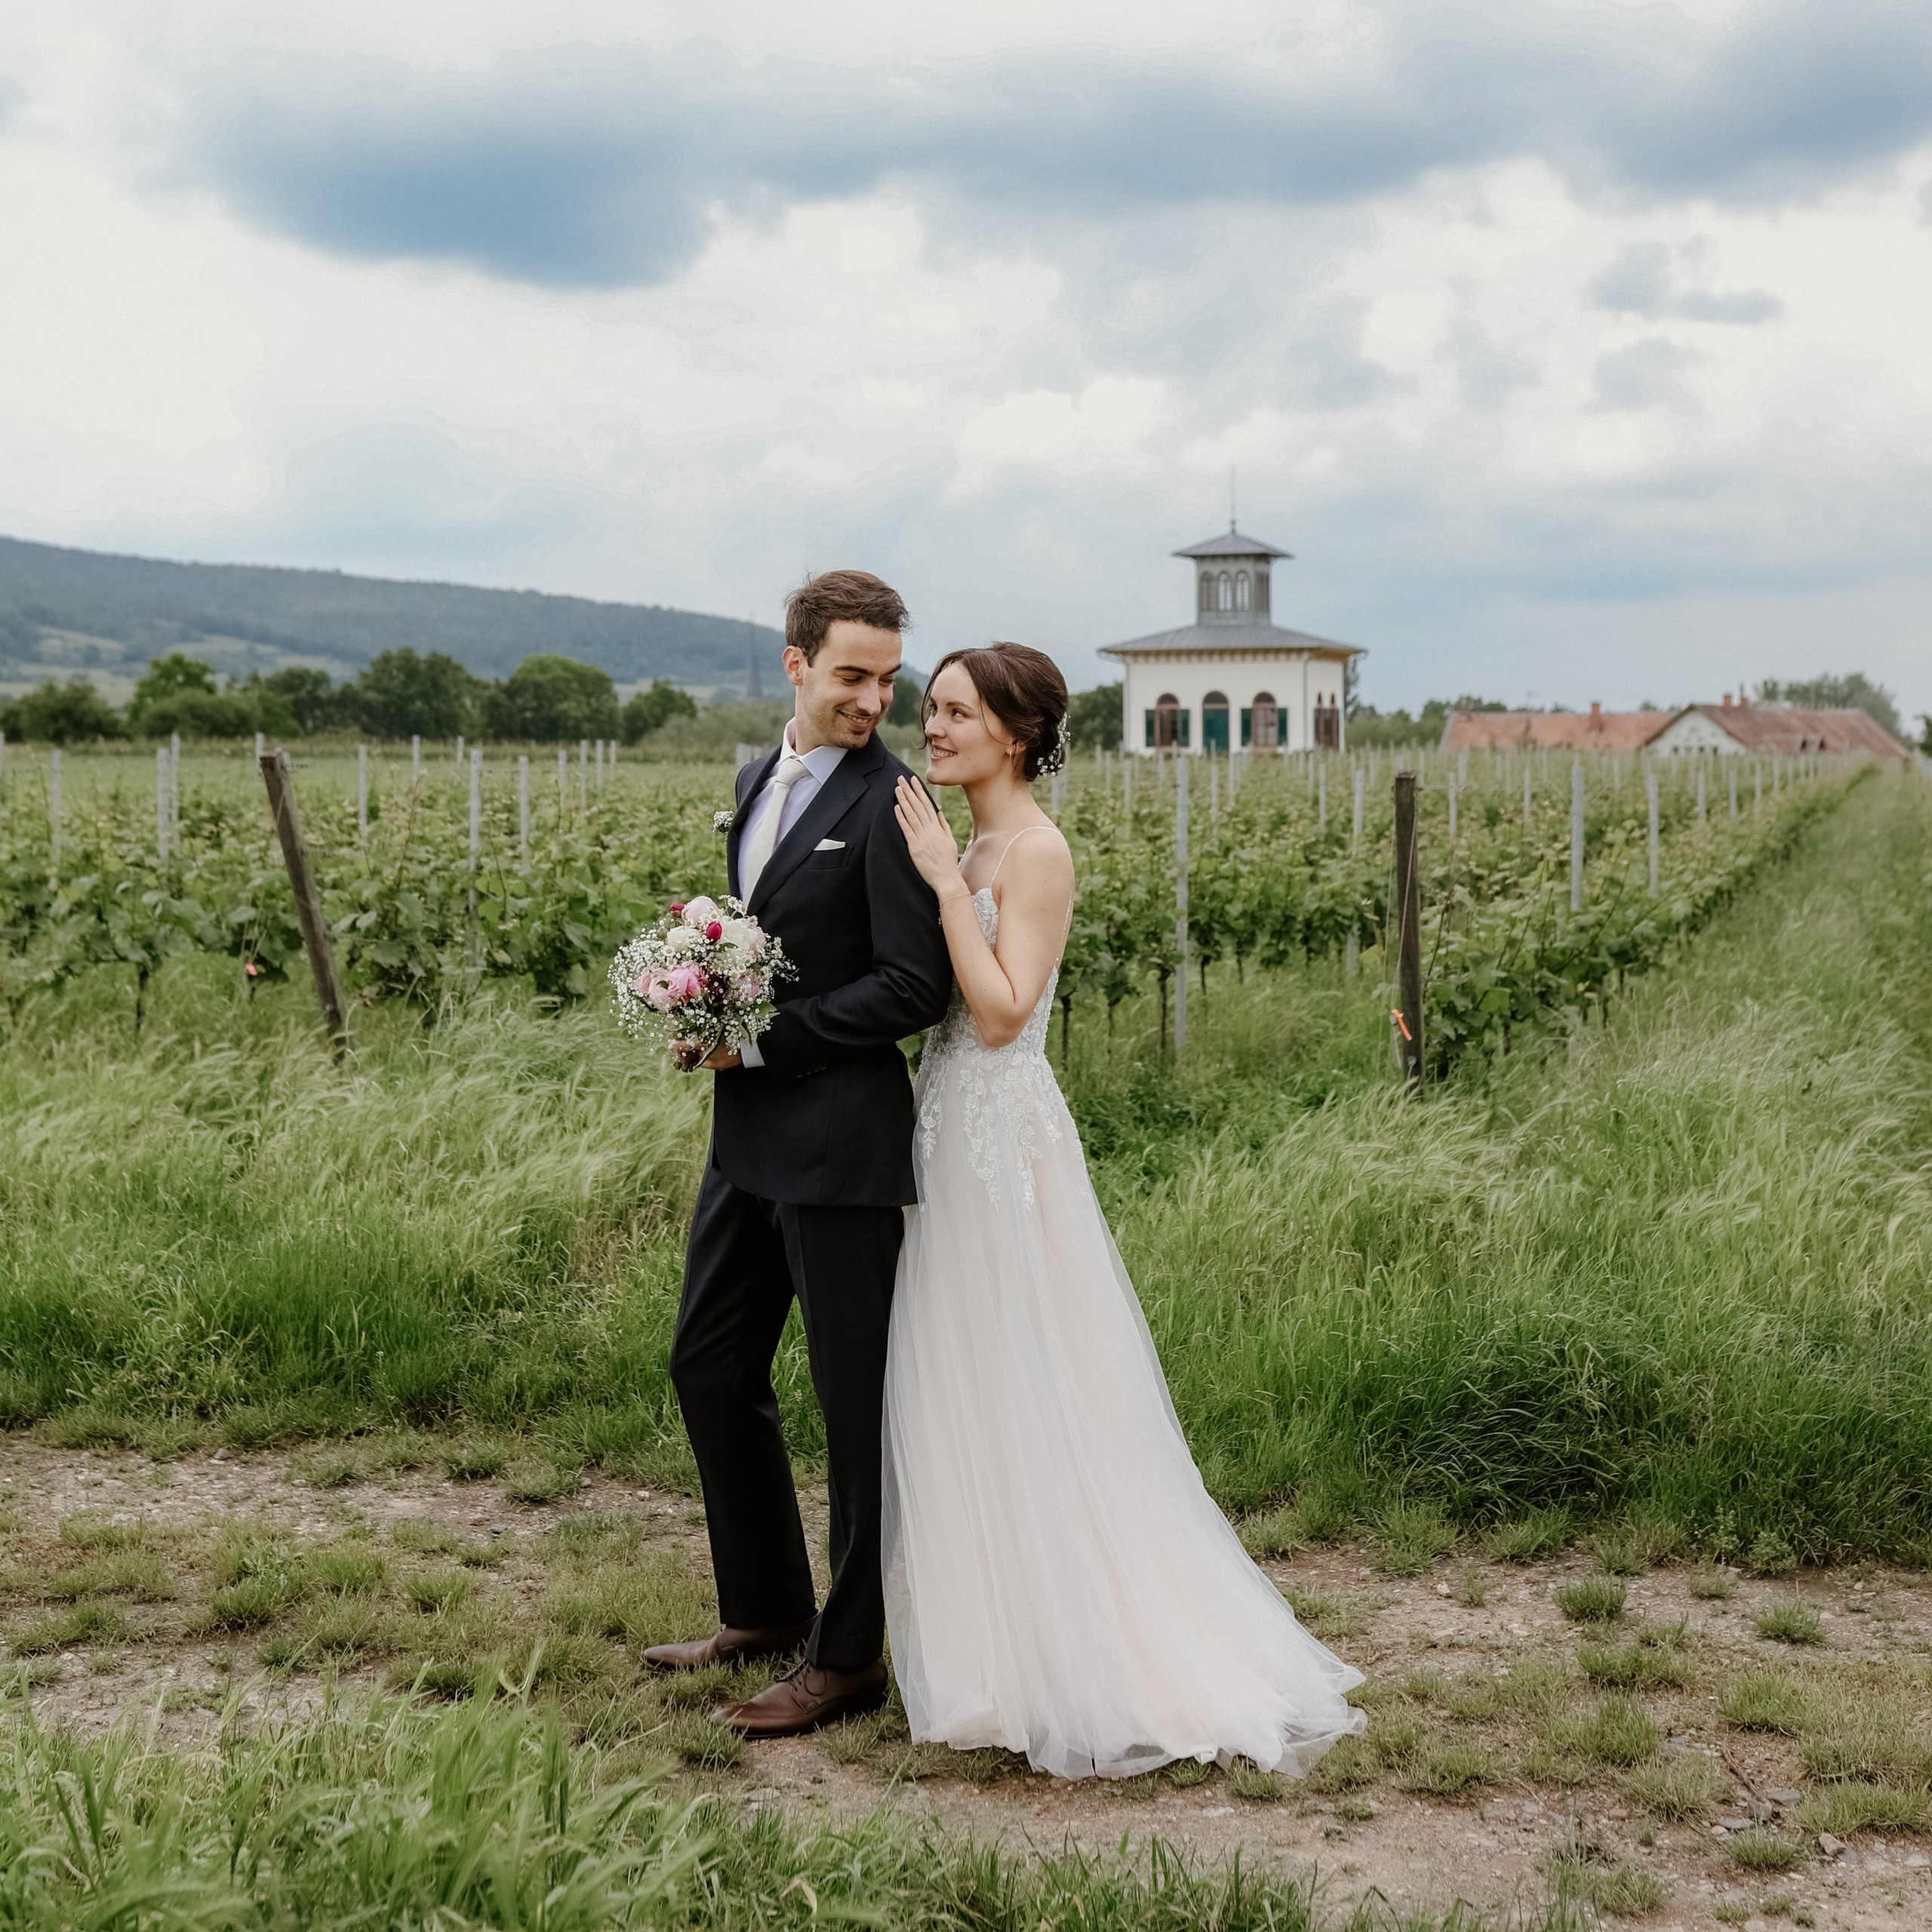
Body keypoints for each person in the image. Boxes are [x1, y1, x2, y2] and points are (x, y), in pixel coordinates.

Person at [884, 643, 1365, 1779]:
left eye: (955, 712)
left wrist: (950, 889)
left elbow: (1002, 1013)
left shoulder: (1034, 852)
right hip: (945, 1127)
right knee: (962, 1380)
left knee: (1030, 1379)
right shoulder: (971, 838)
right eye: (931, 708)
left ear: (1012, 732)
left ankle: (1085, 1652)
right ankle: (985, 1662)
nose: (934, 727)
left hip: (1004, 1141)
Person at [642, 569, 952, 1738]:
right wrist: (704, 1006)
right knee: (708, 1367)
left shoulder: (896, 803)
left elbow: (913, 986)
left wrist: (763, 1043)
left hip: (841, 1145)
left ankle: (848, 1652)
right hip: (747, 1142)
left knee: (853, 1404)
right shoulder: (753, 777)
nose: (875, 699)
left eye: (888, 679)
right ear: (796, 666)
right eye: (852, 676)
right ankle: (764, 1607)